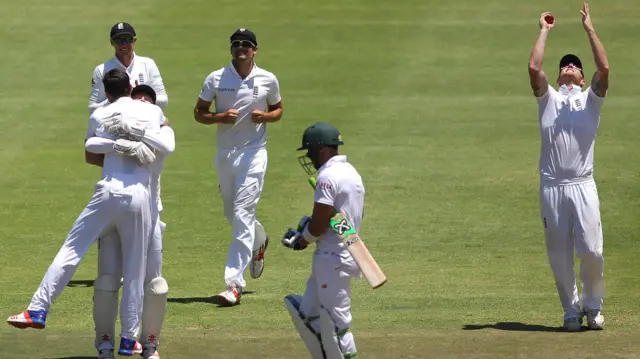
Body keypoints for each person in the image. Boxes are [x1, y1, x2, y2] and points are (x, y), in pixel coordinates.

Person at [7, 69, 169, 356]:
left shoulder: (100, 115)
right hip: (140, 198)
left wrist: (122, 139)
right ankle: (129, 340)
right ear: (131, 87)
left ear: (106, 92)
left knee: (72, 249)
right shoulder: (153, 111)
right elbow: (162, 141)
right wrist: (130, 141)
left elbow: (91, 147)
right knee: (135, 272)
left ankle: (38, 309)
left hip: (107, 193)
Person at [528, 0, 609, 331]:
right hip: (552, 187)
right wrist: (544, 31)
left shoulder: (591, 99)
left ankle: (593, 307)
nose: (570, 67)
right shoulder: (549, 98)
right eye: (565, 66)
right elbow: (534, 69)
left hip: (583, 185)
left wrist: (590, 29)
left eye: (574, 66)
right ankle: (571, 310)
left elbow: (604, 70)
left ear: (580, 74)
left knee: (591, 250)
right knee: (559, 256)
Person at [193, 28, 283, 306]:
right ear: (231, 49)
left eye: (246, 44)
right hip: (225, 154)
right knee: (232, 214)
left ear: (255, 50)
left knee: (242, 214)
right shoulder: (216, 78)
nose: (241, 48)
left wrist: (265, 116)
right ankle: (258, 241)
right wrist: (220, 117)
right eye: (236, 44)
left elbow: (278, 109)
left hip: (254, 154)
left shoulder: (267, 78)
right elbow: (199, 112)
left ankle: (234, 284)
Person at [86, 84, 175, 359]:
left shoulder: (162, 131)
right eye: (138, 98)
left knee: (154, 284)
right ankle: (104, 345)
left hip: (150, 214)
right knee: (106, 280)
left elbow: (167, 145)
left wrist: (142, 132)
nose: (143, 102)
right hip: (113, 208)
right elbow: (90, 151)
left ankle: (149, 344)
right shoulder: (114, 128)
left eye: (149, 99)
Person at [282, 122, 363, 359]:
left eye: (309, 150)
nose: (308, 156)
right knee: (309, 314)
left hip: (333, 258)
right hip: (340, 253)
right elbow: (335, 218)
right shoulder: (351, 171)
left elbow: (319, 223)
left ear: (322, 150)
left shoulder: (327, 177)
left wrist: (302, 239)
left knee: (338, 323)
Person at [89, 22, 168, 114]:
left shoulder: (148, 64)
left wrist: (140, 97)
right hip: (115, 124)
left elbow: (163, 101)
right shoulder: (101, 70)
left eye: (127, 39)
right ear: (112, 42)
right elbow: (92, 108)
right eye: (118, 40)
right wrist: (118, 99)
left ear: (134, 41)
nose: (123, 44)